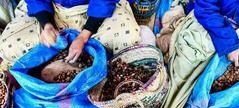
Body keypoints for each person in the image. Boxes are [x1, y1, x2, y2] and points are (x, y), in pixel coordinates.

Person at [0, 0, 141, 70]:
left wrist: (83, 36)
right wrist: (47, 25)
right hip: (53, 8)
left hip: (96, 9)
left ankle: (96, 65)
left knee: (127, 37)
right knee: (8, 45)